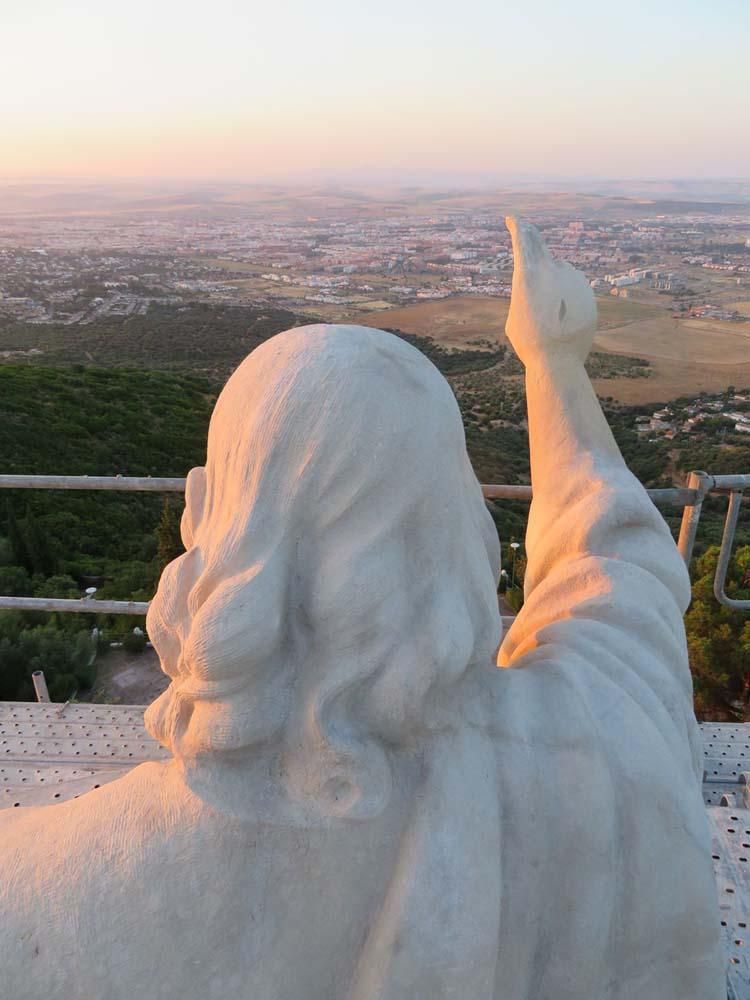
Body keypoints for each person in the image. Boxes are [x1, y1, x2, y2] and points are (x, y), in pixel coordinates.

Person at [0, 220, 724, 999]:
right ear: (461, 529)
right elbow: (619, 581)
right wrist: (553, 365)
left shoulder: (48, 898)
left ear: (202, 515)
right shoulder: (591, 751)